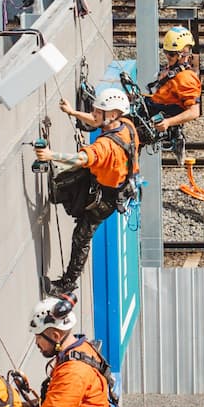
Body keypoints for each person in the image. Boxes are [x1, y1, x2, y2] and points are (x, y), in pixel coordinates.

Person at [35, 86, 140, 296]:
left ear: (111, 114)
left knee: (82, 236)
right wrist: (72, 112)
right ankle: (62, 193)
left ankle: (67, 283)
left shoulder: (106, 146)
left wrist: (50, 155)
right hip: (113, 184)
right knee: (66, 182)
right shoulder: (125, 126)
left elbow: (81, 159)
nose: (94, 114)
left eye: (98, 111)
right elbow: (95, 121)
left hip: (107, 198)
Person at [138, 26, 204, 203]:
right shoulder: (174, 71)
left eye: (171, 55)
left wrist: (168, 123)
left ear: (184, 53)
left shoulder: (186, 79)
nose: (167, 57)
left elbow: (194, 111)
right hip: (151, 107)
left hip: (156, 116)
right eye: (166, 53)